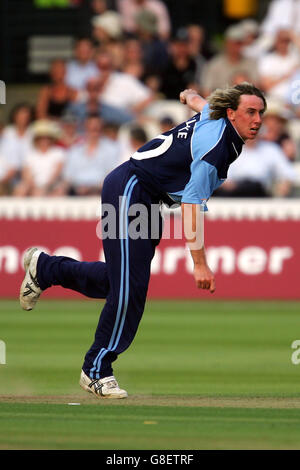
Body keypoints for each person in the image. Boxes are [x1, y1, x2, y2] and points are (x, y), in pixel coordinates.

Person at [19, 82, 266, 398]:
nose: (258, 119)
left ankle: (46, 268)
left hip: (146, 197)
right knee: (130, 289)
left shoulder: (218, 119)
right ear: (232, 113)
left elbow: (199, 102)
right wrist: (200, 264)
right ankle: (96, 369)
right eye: (251, 112)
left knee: (119, 282)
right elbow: (191, 206)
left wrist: (188, 95)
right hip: (131, 189)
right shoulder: (217, 146)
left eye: (261, 112)